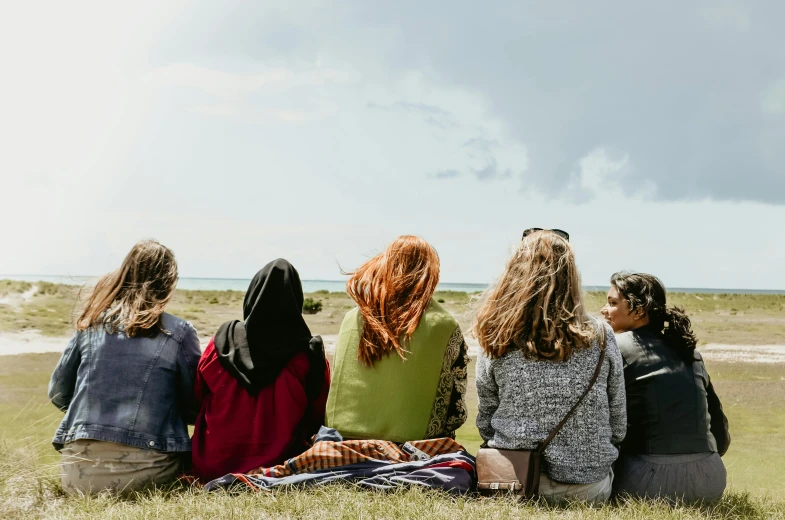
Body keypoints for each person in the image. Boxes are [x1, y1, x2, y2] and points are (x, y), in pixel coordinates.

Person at [473, 229, 626, 504]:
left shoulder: (496, 333)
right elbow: (618, 422)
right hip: (587, 486)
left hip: (512, 479)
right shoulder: (602, 335)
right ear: (572, 276)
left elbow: (486, 418)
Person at [48, 239, 200, 494]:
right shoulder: (179, 332)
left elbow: (58, 393)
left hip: (77, 475)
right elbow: (195, 406)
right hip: (147, 474)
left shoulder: (91, 324)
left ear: (124, 274)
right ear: (167, 283)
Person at [190, 259, 330, 483]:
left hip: (211, 466)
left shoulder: (220, 344)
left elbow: (197, 398)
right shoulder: (307, 355)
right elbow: (319, 416)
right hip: (280, 465)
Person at [602, 272, 730, 502]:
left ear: (639, 310)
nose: (604, 310)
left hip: (647, 483)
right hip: (711, 479)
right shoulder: (689, 350)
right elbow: (719, 427)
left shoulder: (614, 346)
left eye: (612, 303)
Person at [326, 235, 468, 442]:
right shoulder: (443, 324)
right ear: (430, 274)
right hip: (414, 444)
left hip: (341, 440)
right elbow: (456, 413)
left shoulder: (351, 318)